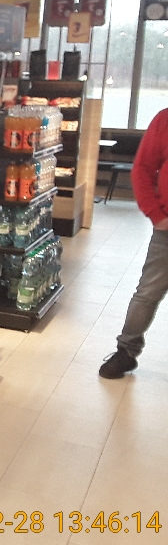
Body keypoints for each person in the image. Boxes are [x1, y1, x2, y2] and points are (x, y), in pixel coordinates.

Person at [100, 108, 168, 379]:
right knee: (147, 293)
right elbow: (142, 168)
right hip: (167, 232)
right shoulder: (165, 120)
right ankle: (126, 352)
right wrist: (156, 215)